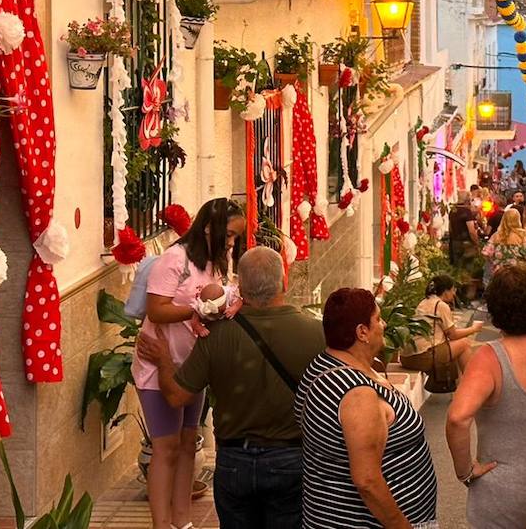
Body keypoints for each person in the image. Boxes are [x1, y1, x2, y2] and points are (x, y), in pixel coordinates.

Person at [137, 247, 323, 529]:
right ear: (284, 283)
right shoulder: (316, 335)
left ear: (241, 289)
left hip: (234, 463)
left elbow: (176, 397)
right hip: (290, 460)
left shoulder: (217, 335)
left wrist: (164, 361)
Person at [132, 197, 245, 529]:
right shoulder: (175, 259)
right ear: (209, 228)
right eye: (229, 236)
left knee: (187, 445)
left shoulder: (215, 261)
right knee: (165, 448)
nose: (232, 243)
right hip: (158, 363)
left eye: (236, 238)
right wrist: (198, 309)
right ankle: (161, 523)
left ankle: (183, 522)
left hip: (193, 364)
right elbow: (157, 309)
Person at [297, 288, 438, 528]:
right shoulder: (358, 394)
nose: (383, 324)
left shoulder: (322, 365)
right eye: (378, 319)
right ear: (362, 332)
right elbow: (367, 480)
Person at [446, 264, 526, 529]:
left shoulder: (489, 358)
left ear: (495, 309)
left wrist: (465, 470)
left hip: (504, 494)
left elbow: (457, 418)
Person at [408, 274, 483, 378]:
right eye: (452, 290)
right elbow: (453, 335)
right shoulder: (440, 305)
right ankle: (471, 383)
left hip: (408, 358)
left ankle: (461, 385)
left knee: (456, 347)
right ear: (445, 291)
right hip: (423, 357)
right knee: (464, 344)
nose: (454, 294)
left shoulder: (424, 302)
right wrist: (474, 329)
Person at [483, 206, 526, 275]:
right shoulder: (522, 235)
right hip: (517, 273)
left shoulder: (496, 235)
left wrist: (495, 262)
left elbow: (486, 253)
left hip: (499, 273)